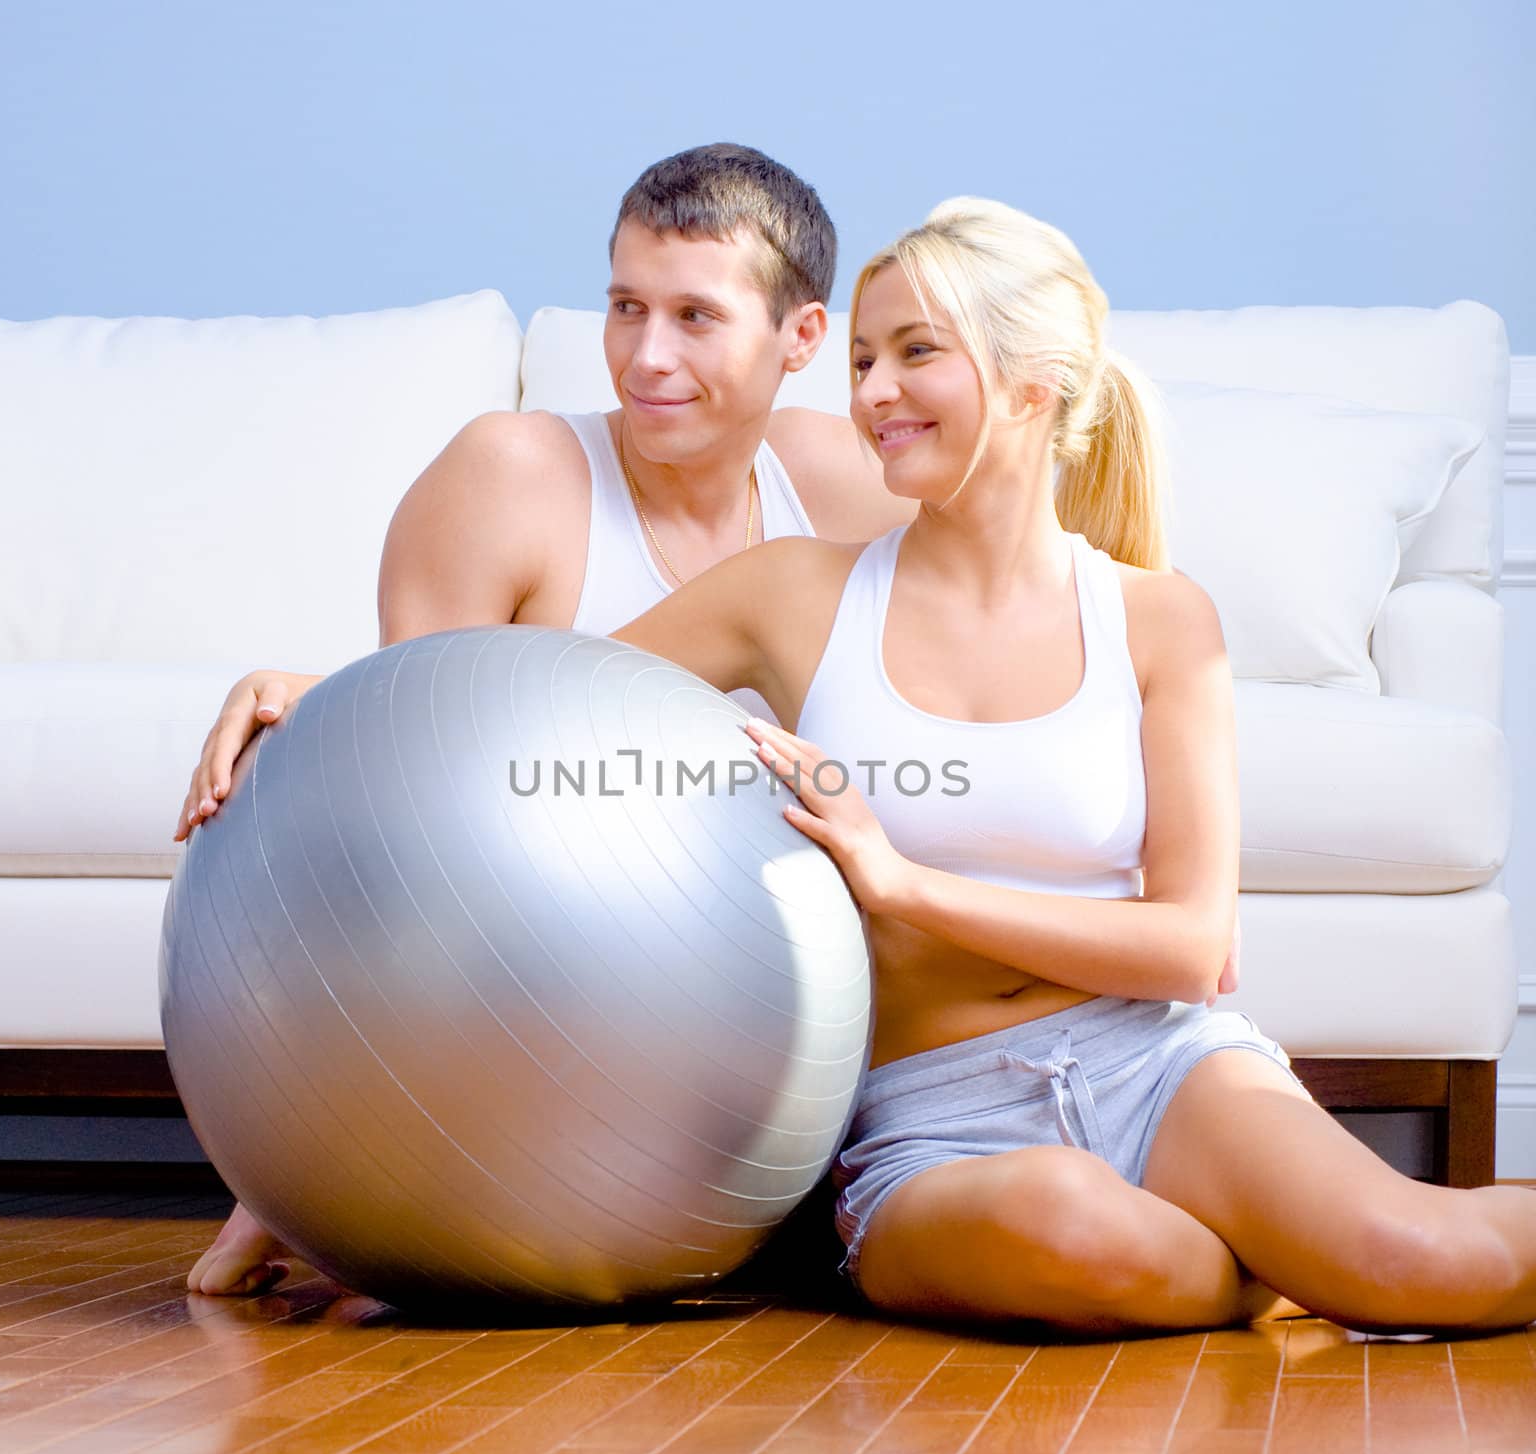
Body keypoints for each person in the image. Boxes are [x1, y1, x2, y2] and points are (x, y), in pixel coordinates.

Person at [176, 148, 1236, 1301]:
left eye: (694, 316)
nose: (646, 357)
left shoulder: (844, 476)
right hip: (556, 1028)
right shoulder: (510, 475)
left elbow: (1018, 577)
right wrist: (299, 1174)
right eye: (624, 308)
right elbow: (412, 823)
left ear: (798, 340)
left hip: (787, 1041)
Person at [605, 196, 1536, 1336]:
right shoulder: (791, 592)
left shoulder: (1158, 618)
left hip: (1157, 1064)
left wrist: (901, 884)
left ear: (1034, 382)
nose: (869, 393)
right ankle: (1275, 1264)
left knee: (1419, 1259)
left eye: (913, 352)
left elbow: (1193, 946)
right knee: (1071, 1226)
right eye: (858, 358)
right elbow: (542, 705)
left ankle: (1320, 1249)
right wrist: (326, 695)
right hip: (924, 1118)